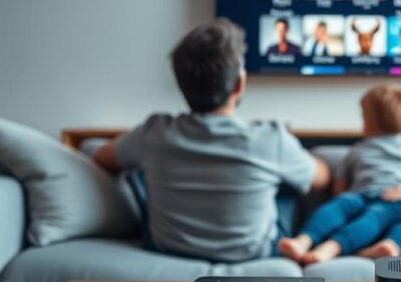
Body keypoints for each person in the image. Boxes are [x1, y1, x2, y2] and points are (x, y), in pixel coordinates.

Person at [91, 19, 331, 262]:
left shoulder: (154, 132)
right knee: (287, 182)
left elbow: (100, 156)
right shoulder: (270, 138)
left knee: (138, 171)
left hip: (167, 247)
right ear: (239, 83)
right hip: (252, 252)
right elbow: (321, 180)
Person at [278, 85, 401, 263]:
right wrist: (347, 206)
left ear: (367, 122)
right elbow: (340, 193)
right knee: (341, 205)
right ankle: (304, 241)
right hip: (362, 198)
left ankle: (334, 247)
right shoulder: (357, 151)